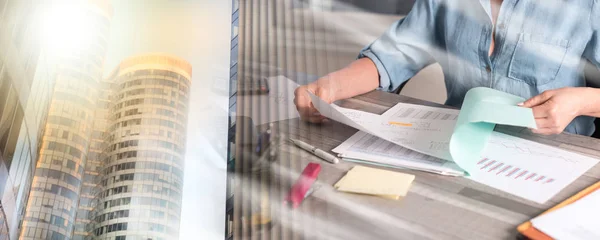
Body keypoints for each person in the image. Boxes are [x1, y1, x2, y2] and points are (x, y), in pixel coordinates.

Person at [293, 0, 600, 136]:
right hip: (454, 144)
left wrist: (581, 101)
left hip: (553, 156)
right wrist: (328, 87)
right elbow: (390, 58)